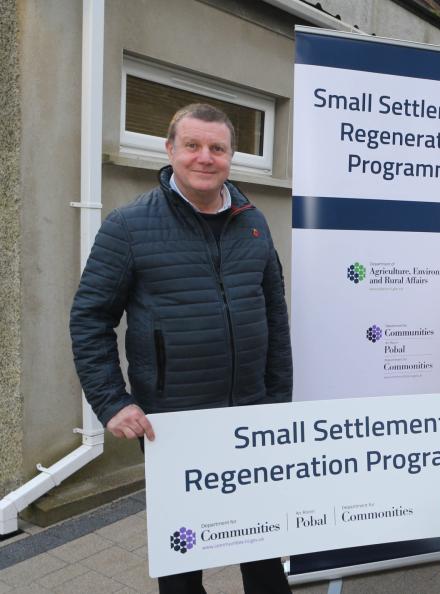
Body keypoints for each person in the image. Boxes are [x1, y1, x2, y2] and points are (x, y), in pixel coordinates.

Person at [70, 103, 292, 594]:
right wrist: (112, 399)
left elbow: (274, 316)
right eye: (192, 145)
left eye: (217, 147)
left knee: (260, 547)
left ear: (232, 156)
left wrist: (278, 402)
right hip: (175, 422)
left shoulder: (254, 224)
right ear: (170, 150)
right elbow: (90, 318)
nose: (205, 157)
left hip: (249, 417)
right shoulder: (128, 227)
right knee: (183, 555)